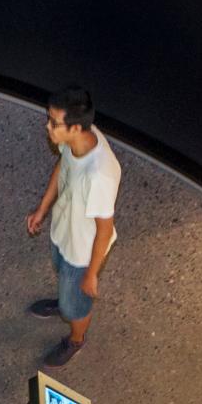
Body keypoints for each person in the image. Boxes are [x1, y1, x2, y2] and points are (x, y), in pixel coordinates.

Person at [25, 86, 121, 368]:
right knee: (64, 280)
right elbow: (62, 166)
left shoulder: (99, 175)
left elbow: (105, 229)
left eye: (54, 123)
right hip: (63, 231)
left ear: (75, 127)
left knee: (76, 304)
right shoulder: (75, 142)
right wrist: (43, 208)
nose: (48, 127)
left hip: (82, 252)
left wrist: (91, 274)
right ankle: (65, 301)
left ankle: (76, 338)